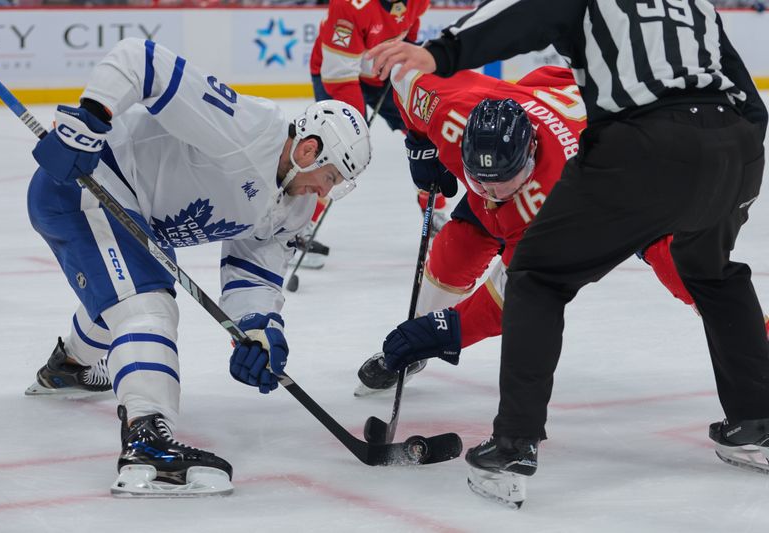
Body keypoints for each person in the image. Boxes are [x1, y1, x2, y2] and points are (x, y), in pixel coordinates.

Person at [367, 0, 769, 507]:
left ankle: (514, 444)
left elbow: (524, 15)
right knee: (716, 277)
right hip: (734, 148)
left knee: (537, 277)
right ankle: (758, 424)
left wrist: (442, 51)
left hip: (642, 149)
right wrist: (421, 152)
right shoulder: (695, 5)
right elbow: (746, 92)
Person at [25, 37, 371, 497]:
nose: (323, 192)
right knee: (147, 305)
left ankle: (69, 364)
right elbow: (140, 60)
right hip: (84, 183)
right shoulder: (247, 128)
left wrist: (258, 328)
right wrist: (91, 120)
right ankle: (146, 438)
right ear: (308, 150)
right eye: (328, 178)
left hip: (132, 214)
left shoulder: (294, 207)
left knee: (123, 293)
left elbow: (254, 268)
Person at [356, 65, 769, 395]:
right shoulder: (454, 114)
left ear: (530, 152)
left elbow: (512, 302)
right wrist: (420, 146)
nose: (491, 192)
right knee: (456, 247)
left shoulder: (557, 202)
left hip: (634, 184)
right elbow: (405, 76)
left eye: (503, 181)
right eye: (478, 179)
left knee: (687, 270)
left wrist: (448, 332)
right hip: (572, 111)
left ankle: (761, 348)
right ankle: (418, 341)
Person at [304, 0, 450, 269]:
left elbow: (411, 27)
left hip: (379, 73)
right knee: (335, 149)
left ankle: (435, 215)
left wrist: (402, 60)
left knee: (427, 132)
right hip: (337, 74)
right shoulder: (349, 6)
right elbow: (339, 76)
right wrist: (354, 129)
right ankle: (300, 226)